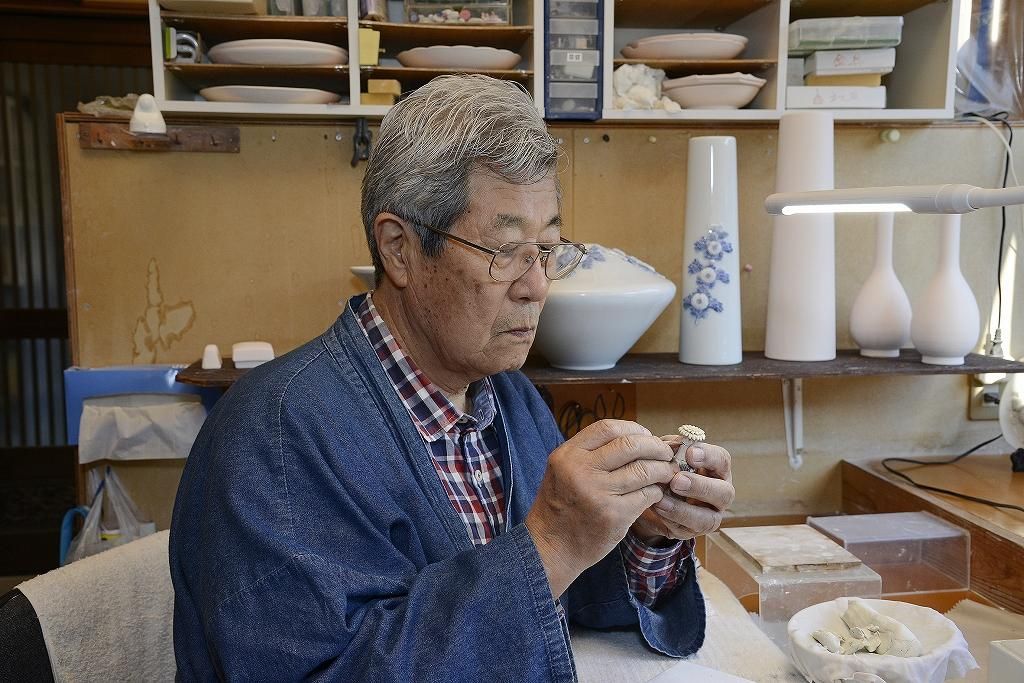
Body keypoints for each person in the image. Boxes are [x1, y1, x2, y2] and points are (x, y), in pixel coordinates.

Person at [169, 74, 735, 681]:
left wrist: (642, 534)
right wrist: (548, 544)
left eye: (547, 249)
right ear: (400, 249)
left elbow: (557, 603)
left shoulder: (508, 397)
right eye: (505, 250)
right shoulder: (274, 438)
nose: (537, 285)